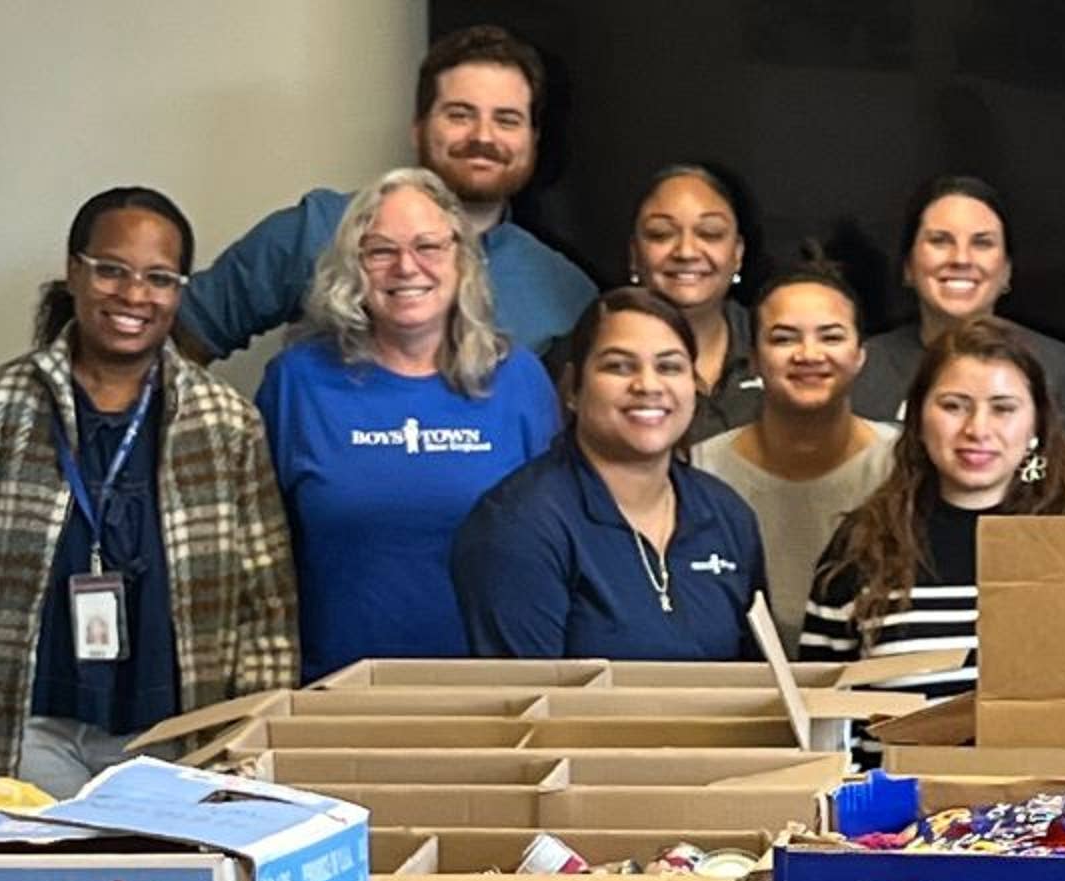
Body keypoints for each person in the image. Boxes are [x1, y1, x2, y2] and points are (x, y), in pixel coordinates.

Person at [0, 186, 298, 800]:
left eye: (159, 278)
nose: (134, 295)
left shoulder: (226, 424)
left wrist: (244, 755)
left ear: (180, 290)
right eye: (112, 270)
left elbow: (267, 611)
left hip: (177, 739)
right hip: (24, 733)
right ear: (73, 271)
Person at [256, 167, 559, 682]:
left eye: (428, 246)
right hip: (333, 695)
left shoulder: (520, 379)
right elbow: (257, 558)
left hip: (494, 694)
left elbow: (555, 548)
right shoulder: (298, 382)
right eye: (380, 251)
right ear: (353, 266)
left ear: (462, 260)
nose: (406, 267)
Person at [178, 24, 595, 360]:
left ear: (533, 139)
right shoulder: (320, 228)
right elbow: (182, 334)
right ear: (419, 127)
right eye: (460, 114)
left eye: (506, 120)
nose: (483, 136)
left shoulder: (567, 292)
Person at [802, 317, 1065, 706]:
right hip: (898, 768)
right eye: (954, 406)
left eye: (1003, 408)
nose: (977, 429)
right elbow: (820, 717)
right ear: (918, 418)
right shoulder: (861, 545)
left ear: (1036, 423)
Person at [452, 288, 767, 659]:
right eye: (619, 366)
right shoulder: (517, 524)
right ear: (573, 389)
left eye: (670, 367)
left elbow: (761, 684)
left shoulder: (726, 514)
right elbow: (523, 705)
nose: (648, 386)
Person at [692, 251, 898, 652]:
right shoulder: (700, 472)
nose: (808, 354)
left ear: (860, 355)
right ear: (753, 359)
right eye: (784, 338)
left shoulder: (904, 465)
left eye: (831, 336)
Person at [849, 175, 1065, 476]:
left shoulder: (1058, 367)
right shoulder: (864, 367)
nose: (961, 258)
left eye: (982, 242)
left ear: (1006, 272)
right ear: (908, 266)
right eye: (940, 241)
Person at [626, 164, 764, 442]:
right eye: (661, 234)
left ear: (737, 254)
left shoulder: (774, 341)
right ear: (634, 254)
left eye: (710, 233)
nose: (686, 251)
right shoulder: (591, 355)